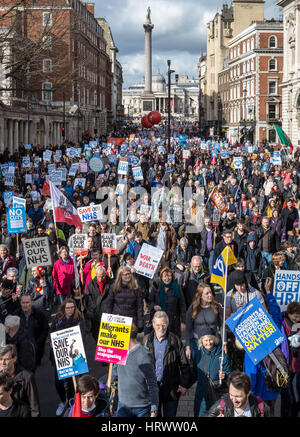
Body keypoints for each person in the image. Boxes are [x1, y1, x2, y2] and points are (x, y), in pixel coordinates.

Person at [143, 311, 192, 417]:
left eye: (164, 324)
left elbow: (184, 364)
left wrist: (184, 384)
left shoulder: (175, 340)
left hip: (171, 388)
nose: (161, 328)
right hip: (153, 388)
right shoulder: (147, 341)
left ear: (167, 324)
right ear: (153, 324)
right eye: (158, 325)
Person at [112, 323, 159, 417]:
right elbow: (115, 374)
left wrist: (154, 409)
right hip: (123, 405)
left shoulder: (144, 355)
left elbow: (152, 383)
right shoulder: (120, 351)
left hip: (141, 408)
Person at [48, 298, 86, 416]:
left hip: (73, 354)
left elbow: (84, 335)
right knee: (58, 382)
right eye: (68, 307)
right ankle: (63, 401)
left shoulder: (79, 319)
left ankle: (70, 401)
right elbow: (51, 332)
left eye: (72, 307)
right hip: (58, 355)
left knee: (70, 381)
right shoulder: (57, 319)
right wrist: (50, 341)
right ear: (64, 308)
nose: (70, 310)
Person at [191, 326, 231, 417]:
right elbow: (193, 373)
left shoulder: (222, 356)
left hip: (217, 395)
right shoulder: (198, 355)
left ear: (214, 339)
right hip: (201, 396)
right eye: (205, 340)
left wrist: (224, 376)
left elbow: (230, 375)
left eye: (211, 340)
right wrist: (184, 385)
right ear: (201, 341)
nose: (208, 342)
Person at [185, 283, 225, 359]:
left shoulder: (216, 307)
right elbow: (188, 330)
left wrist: (224, 342)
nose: (210, 295)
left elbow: (222, 326)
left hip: (213, 343)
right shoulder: (193, 308)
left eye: (211, 292)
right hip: (197, 344)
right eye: (207, 293)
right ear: (200, 296)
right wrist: (188, 347)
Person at [206, 370, 272, 417]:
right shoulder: (221, 406)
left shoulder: (261, 408)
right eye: (231, 394)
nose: (233, 400)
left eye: (238, 396)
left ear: (248, 393)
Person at [0, 344, 40, 417]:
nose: (3, 363)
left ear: (14, 359)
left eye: (6, 359)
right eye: (0, 359)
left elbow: (34, 408)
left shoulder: (27, 377)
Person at [104, 265, 144, 333]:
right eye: (125, 275)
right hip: (117, 320)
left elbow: (139, 306)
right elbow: (109, 305)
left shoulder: (136, 287)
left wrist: (140, 323)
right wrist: (108, 320)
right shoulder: (114, 287)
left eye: (129, 274)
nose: (127, 276)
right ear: (120, 277)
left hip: (132, 321)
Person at [149, 267, 186, 338]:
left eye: (169, 276)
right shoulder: (156, 287)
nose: (167, 278)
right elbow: (150, 301)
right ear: (161, 277)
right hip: (159, 321)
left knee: (174, 343)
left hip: (174, 322)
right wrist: (154, 306)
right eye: (165, 276)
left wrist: (183, 322)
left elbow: (182, 305)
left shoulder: (177, 287)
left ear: (172, 276)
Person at [280, 301, 300, 417]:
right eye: (295, 316)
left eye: (299, 317)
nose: (297, 319)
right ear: (289, 313)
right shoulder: (282, 323)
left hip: (297, 367)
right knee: (286, 399)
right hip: (285, 367)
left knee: (297, 399)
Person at [17, 294, 49, 367]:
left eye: (27, 302)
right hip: (21, 353)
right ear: (20, 303)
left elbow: (45, 329)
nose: (25, 305)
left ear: (31, 302)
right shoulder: (16, 315)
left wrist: (38, 342)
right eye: (23, 303)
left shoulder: (39, 315)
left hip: (35, 351)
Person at [85, 266, 112, 344]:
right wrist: (92, 309)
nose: (101, 278)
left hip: (108, 314)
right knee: (97, 336)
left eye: (103, 276)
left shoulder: (111, 283)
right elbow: (88, 299)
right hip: (96, 315)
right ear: (96, 274)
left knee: (108, 337)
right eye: (99, 276)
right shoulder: (91, 284)